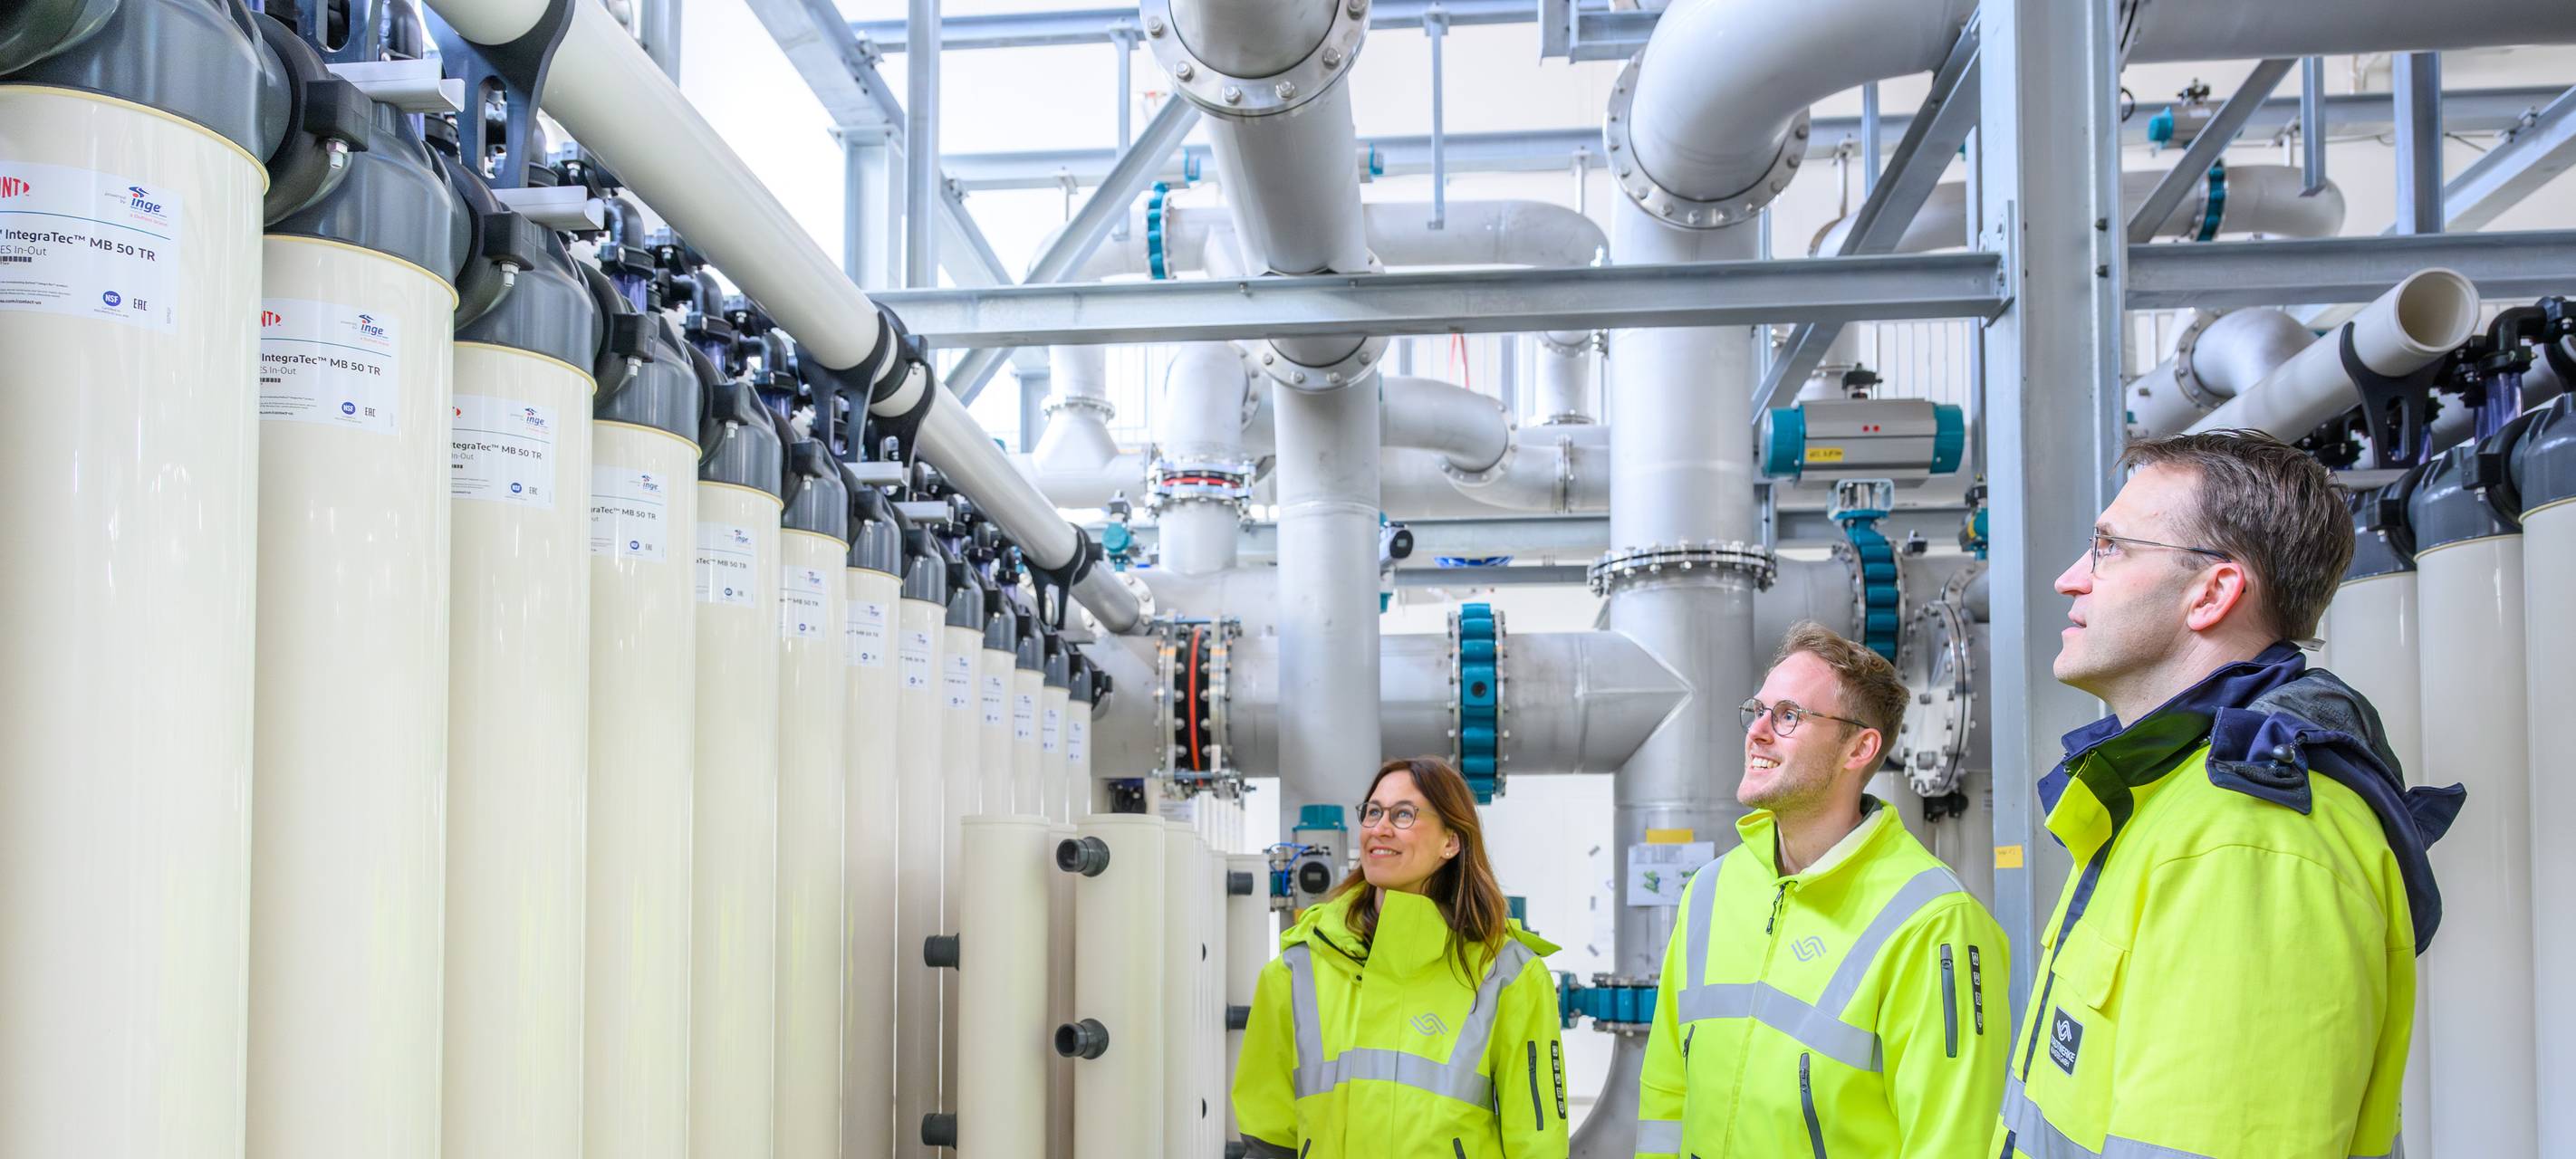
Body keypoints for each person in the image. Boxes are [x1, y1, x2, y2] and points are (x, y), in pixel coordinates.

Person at [1992, 430, 2459, 1159]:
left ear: (2213, 592)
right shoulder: (2174, 798)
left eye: (2110, 547)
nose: (2070, 577)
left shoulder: (2251, 842)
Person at [1635, 622, 2011, 1158]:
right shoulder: (1711, 891)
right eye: (1757, 710)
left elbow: (1951, 1142)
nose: (1757, 731)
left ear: (1859, 748)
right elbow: (1666, 1092)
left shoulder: (1935, 922)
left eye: (1788, 715)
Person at [1233, 757, 1570, 1159]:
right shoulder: (1296, 971)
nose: (1380, 828)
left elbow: (1537, 1141)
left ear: (1451, 841)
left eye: (1403, 814)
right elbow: (1268, 1135)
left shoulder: (1508, 975)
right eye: (1373, 812)